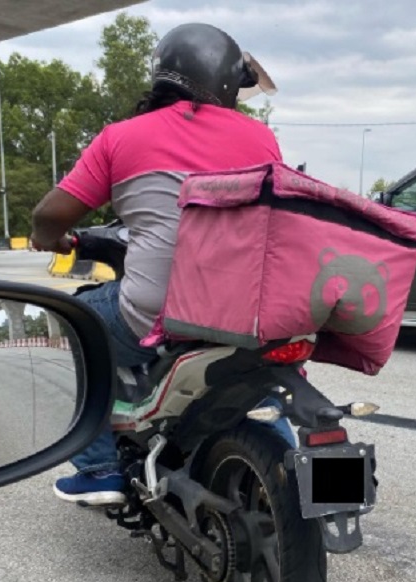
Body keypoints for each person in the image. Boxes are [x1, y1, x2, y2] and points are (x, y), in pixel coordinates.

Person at [31, 23, 287, 506]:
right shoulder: (261, 138)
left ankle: (100, 467)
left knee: (84, 319)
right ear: (227, 83)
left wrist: (52, 239)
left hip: (160, 313)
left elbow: (49, 215)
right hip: (249, 313)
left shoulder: (121, 137)